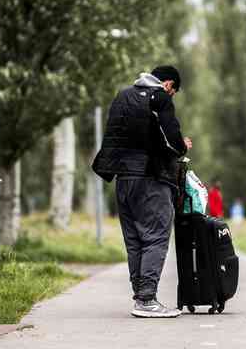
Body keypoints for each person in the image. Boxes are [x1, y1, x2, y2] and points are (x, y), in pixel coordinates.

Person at [92, 65, 192, 318]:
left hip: (123, 179)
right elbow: (171, 141)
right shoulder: (159, 97)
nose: (171, 96)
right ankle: (147, 300)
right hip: (150, 179)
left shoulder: (123, 96)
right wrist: (183, 145)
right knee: (156, 237)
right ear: (168, 85)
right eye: (174, 92)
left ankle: (140, 295)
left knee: (134, 240)